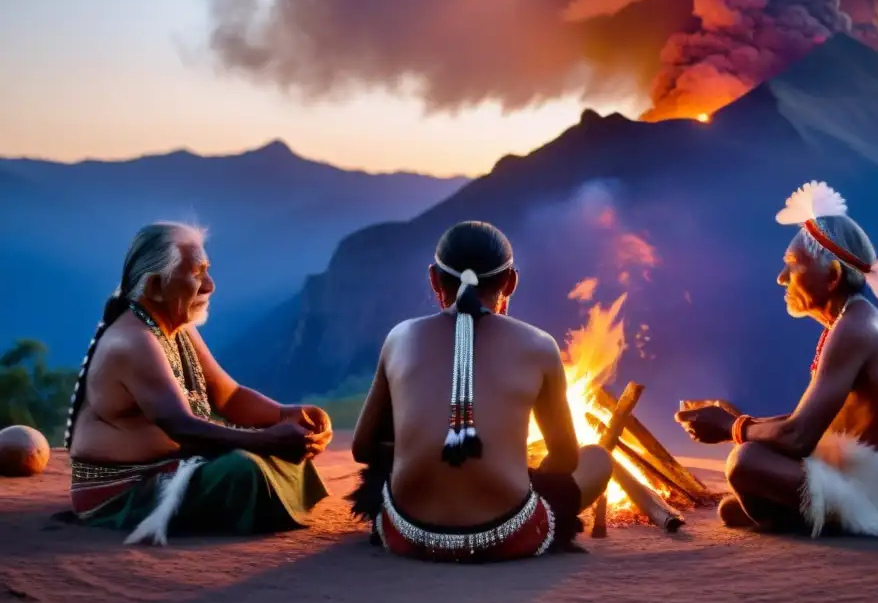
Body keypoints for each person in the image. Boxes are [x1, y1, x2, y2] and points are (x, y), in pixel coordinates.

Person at [676, 181, 878, 537]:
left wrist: (732, 428)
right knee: (753, 457)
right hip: (876, 482)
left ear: (833, 276)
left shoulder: (855, 329)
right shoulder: (852, 321)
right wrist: (740, 422)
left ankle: (790, 516)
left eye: (792, 266)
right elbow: (808, 424)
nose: (781, 278)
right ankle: (782, 513)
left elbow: (799, 436)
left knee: (746, 461)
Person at [347, 221, 613, 562]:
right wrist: (512, 468)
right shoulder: (540, 345)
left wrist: (424, 450)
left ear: (434, 278)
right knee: (597, 459)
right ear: (511, 282)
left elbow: (363, 448)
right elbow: (565, 459)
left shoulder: (400, 337)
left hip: (406, 534)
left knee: (381, 474)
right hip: (510, 536)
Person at [62, 222, 332, 545]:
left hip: (175, 466)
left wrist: (288, 415)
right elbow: (182, 427)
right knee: (246, 471)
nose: (211, 285)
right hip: (127, 488)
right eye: (197, 273)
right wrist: (268, 440)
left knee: (271, 457)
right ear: (155, 287)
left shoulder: (177, 326)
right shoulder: (134, 343)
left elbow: (229, 396)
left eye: (208, 270)